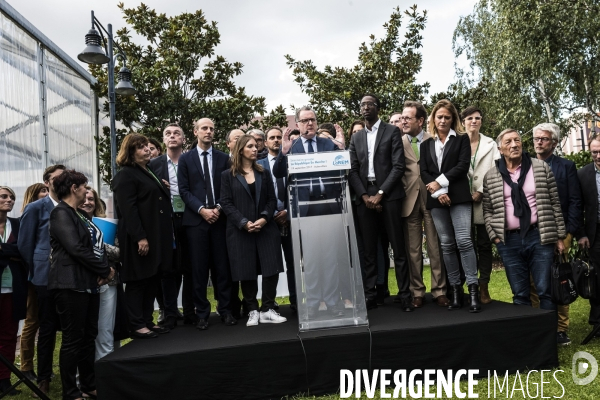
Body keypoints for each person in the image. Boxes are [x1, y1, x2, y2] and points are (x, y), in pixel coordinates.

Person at [48, 170, 114, 400]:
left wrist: (102, 271)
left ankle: (88, 384)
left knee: (88, 337)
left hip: (88, 284)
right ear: (74, 188)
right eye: (85, 187)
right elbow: (76, 248)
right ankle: (71, 391)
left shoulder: (79, 214)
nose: (87, 191)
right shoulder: (61, 213)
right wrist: (105, 270)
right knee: (73, 340)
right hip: (70, 285)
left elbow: (96, 245)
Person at [482, 129, 565, 312]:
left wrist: (559, 237)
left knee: (546, 290)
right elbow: (487, 209)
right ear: (500, 149)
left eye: (517, 140)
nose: (514, 145)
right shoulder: (491, 176)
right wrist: (494, 236)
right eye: (508, 142)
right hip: (509, 241)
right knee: (520, 293)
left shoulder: (540, 167)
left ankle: (549, 336)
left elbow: (554, 203)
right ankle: (528, 338)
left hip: (539, 237)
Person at [273, 106, 344, 317]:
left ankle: (332, 302)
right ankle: (312, 303)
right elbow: (277, 173)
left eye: (312, 119)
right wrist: (283, 152)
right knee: (311, 260)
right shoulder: (292, 147)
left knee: (330, 258)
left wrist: (341, 148)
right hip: (304, 210)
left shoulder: (327, 144)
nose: (309, 124)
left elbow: (342, 167)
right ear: (298, 124)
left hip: (328, 206)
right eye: (304, 121)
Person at [348, 94, 412, 311]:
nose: (365, 107)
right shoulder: (356, 138)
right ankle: (370, 294)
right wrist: (365, 196)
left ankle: (405, 294)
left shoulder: (392, 131)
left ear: (378, 108)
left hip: (389, 196)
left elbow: (398, 166)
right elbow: (353, 169)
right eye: (362, 104)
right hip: (365, 197)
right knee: (368, 250)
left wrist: (381, 193)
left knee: (398, 247)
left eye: (369, 104)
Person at [420, 99, 480, 312]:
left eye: (447, 117)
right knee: (446, 244)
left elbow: (462, 166)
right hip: (436, 200)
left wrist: (440, 184)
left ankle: (473, 289)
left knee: (464, 241)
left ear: (453, 119)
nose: (443, 120)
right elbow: (424, 172)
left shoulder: (461, 139)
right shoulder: (426, 144)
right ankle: (455, 291)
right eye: (439, 117)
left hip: (459, 196)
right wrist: (437, 191)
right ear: (433, 120)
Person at [112, 133, 173, 339]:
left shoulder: (148, 171)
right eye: (141, 147)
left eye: (147, 146)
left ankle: (147, 320)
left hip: (156, 236)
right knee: (138, 281)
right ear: (130, 152)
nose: (147, 150)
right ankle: (136, 324)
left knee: (152, 279)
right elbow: (128, 210)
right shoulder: (125, 175)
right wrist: (140, 237)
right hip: (139, 239)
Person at [178, 118, 237, 330]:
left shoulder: (223, 158)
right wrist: (202, 210)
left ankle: (226, 310)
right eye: (204, 128)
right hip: (196, 222)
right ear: (195, 132)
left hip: (221, 221)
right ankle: (201, 313)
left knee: (223, 268)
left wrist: (218, 209)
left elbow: (229, 188)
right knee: (198, 270)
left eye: (212, 128)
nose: (209, 131)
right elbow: (183, 190)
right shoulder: (186, 159)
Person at [221, 135, 286, 326]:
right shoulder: (227, 175)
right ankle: (252, 310)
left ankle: (267, 309)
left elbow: (271, 200)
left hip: (265, 228)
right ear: (241, 150)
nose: (255, 149)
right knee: (246, 270)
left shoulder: (264, 173)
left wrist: (264, 218)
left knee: (270, 268)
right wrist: (243, 222)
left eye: (255, 146)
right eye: (250, 146)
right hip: (241, 231)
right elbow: (225, 202)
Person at [532, 123, 581, 345]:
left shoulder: (566, 167)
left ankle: (560, 328)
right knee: (534, 281)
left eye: (544, 139)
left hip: (560, 233)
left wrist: (567, 232)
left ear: (554, 142)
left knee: (558, 278)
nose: (539, 142)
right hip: (532, 232)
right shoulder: (525, 166)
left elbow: (574, 201)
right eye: (536, 138)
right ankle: (537, 322)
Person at [18, 164, 65, 396]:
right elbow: (25, 244)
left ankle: (69, 374)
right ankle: (43, 377)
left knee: (68, 329)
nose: (61, 180)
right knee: (46, 328)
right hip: (44, 276)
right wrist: (36, 269)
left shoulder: (71, 205)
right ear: (47, 182)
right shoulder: (36, 207)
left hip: (68, 277)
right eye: (57, 178)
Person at [400, 101, 447, 308]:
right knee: (413, 249)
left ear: (420, 121)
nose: (403, 121)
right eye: (402, 118)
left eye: (408, 118)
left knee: (435, 246)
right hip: (408, 199)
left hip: (432, 198)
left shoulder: (433, 140)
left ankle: (439, 291)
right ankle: (417, 292)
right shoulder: (397, 142)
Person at [149, 123, 195, 328]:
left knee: (191, 267)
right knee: (168, 268)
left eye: (177, 133)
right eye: (168, 133)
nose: (172, 136)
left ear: (183, 139)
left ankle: (190, 311)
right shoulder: (154, 165)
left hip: (191, 217)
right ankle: (169, 312)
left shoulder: (192, 161)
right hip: (166, 221)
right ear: (164, 140)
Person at [462, 106, 500, 304]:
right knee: (465, 244)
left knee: (484, 244)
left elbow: (496, 171)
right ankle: (470, 285)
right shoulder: (457, 142)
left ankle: (483, 285)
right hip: (462, 201)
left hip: (485, 201)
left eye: (478, 118)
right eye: (470, 118)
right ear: (463, 122)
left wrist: (482, 191)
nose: (474, 121)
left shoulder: (491, 144)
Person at [78, 187, 120, 360]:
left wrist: (98, 244)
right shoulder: (69, 222)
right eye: (83, 198)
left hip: (107, 282)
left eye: (91, 199)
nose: (87, 202)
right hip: (81, 283)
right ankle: (85, 376)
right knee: (84, 332)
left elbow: (119, 253)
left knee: (105, 330)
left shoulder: (107, 225)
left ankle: (105, 373)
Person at [258, 127, 296, 310]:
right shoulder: (258, 165)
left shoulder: (293, 162)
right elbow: (259, 195)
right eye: (272, 138)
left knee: (293, 263)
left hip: (290, 219)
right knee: (270, 265)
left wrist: (288, 211)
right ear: (265, 143)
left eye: (279, 137)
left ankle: (296, 302)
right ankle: (269, 304)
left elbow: (297, 189)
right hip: (269, 221)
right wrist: (272, 213)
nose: (276, 140)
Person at [17, 183, 48, 383]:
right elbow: (25, 246)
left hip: (44, 276)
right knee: (32, 321)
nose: (46, 194)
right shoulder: (30, 214)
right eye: (42, 191)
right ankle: (26, 365)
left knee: (43, 322)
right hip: (32, 277)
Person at [0, 187, 27, 396]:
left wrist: (3, 251)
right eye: (4, 196)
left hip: (13, 288)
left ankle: (5, 379)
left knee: (9, 335)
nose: (9, 200)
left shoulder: (17, 224)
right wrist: (12, 252)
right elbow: (16, 251)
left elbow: (24, 250)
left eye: (12, 197)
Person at [576, 136, 600, 341]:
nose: (598, 156)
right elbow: (577, 206)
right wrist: (581, 233)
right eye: (594, 152)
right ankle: (597, 323)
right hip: (595, 234)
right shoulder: (583, 174)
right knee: (596, 277)